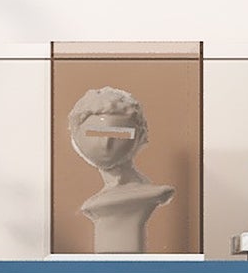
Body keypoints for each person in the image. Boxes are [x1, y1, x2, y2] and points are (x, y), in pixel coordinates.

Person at [68, 86, 174, 253]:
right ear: (76, 137)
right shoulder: (99, 199)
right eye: (95, 133)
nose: (106, 143)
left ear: (140, 136)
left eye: (120, 134)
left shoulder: (145, 194)